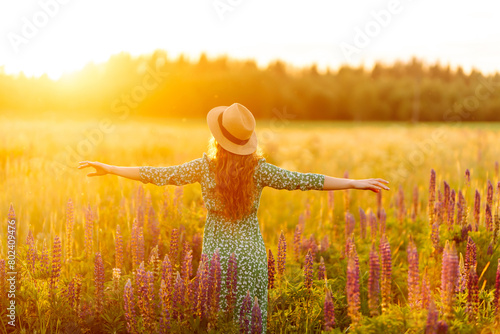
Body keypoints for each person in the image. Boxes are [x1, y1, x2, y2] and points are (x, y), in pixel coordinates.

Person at [78, 102, 389, 333]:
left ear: (218, 137)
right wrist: (353, 182)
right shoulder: (260, 170)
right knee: (251, 325)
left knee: (220, 323)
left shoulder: (204, 167)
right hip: (253, 258)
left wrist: (112, 168)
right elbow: (305, 179)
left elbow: (158, 174)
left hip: (219, 258)